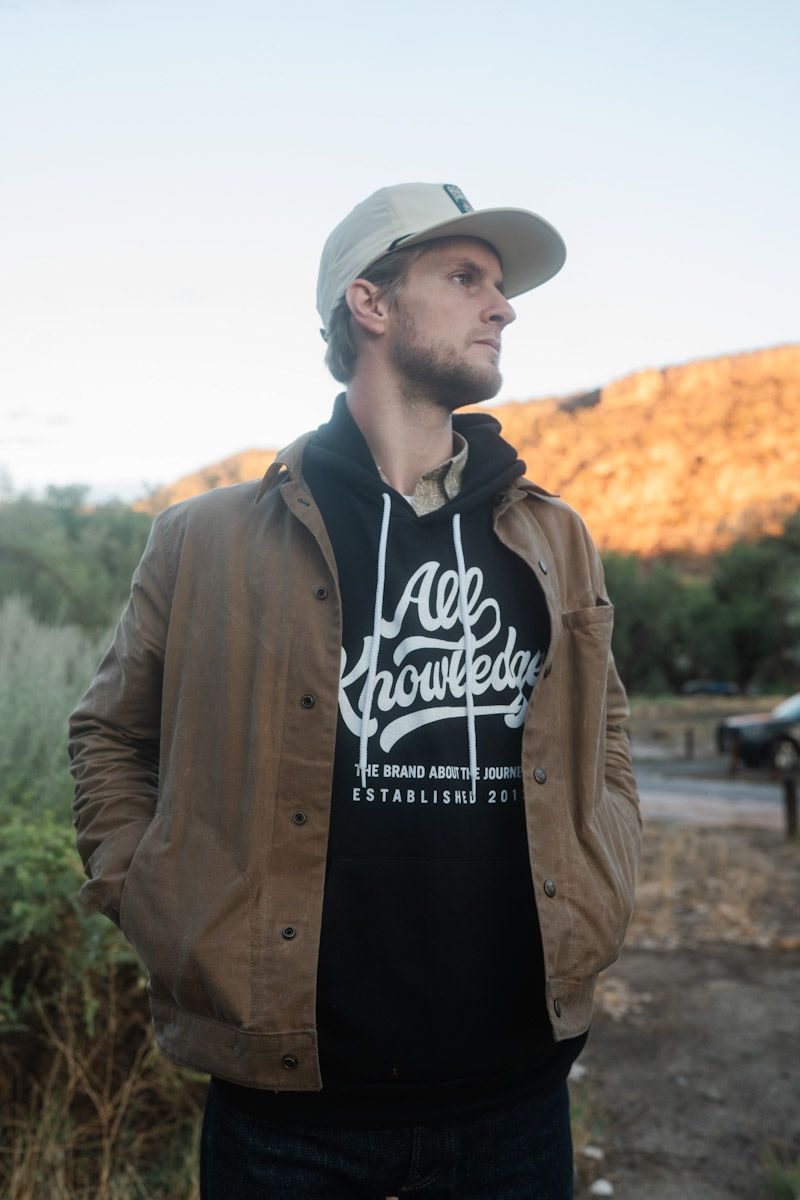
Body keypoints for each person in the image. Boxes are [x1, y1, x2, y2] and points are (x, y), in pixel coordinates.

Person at [69, 181, 641, 1199]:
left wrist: (610, 879)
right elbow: (111, 736)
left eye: (499, 287)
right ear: (369, 305)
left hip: (512, 1103)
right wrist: (148, 891)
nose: (499, 306)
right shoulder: (204, 541)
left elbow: (604, 743)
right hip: (289, 1119)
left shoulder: (553, 536)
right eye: (463, 278)